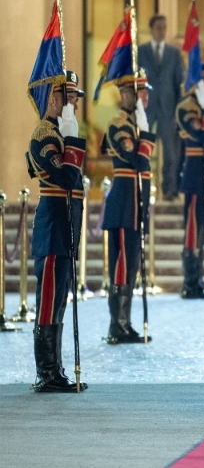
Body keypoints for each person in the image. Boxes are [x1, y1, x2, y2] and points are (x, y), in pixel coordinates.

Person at [25, 71, 89, 392]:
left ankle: (57, 370)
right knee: (48, 301)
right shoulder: (44, 134)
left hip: (67, 227)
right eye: (68, 97)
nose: (73, 104)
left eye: (75, 98)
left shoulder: (63, 132)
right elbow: (64, 178)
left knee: (60, 300)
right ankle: (46, 373)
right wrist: (72, 139)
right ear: (53, 99)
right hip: (52, 227)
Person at [101, 70, 157, 343]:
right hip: (124, 206)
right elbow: (137, 160)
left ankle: (126, 322)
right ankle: (118, 324)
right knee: (122, 266)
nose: (145, 96)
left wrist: (142, 131)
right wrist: (144, 133)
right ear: (126, 95)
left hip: (136, 206)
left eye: (145, 91)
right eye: (140, 91)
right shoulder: (118, 124)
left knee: (131, 266)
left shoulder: (135, 125)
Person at [177, 62, 204, 299]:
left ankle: (199, 280)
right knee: (193, 231)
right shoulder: (187, 107)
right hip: (194, 176)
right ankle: (190, 282)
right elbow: (202, 136)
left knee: (201, 230)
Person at [138, 15, 185, 201]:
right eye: (158, 27)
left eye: (164, 27)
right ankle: (143, 187)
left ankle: (169, 189)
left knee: (170, 153)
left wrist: (177, 111)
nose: (162, 31)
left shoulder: (174, 54)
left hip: (167, 109)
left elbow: (178, 83)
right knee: (144, 150)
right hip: (147, 109)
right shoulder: (141, 52)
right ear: (151, 29)